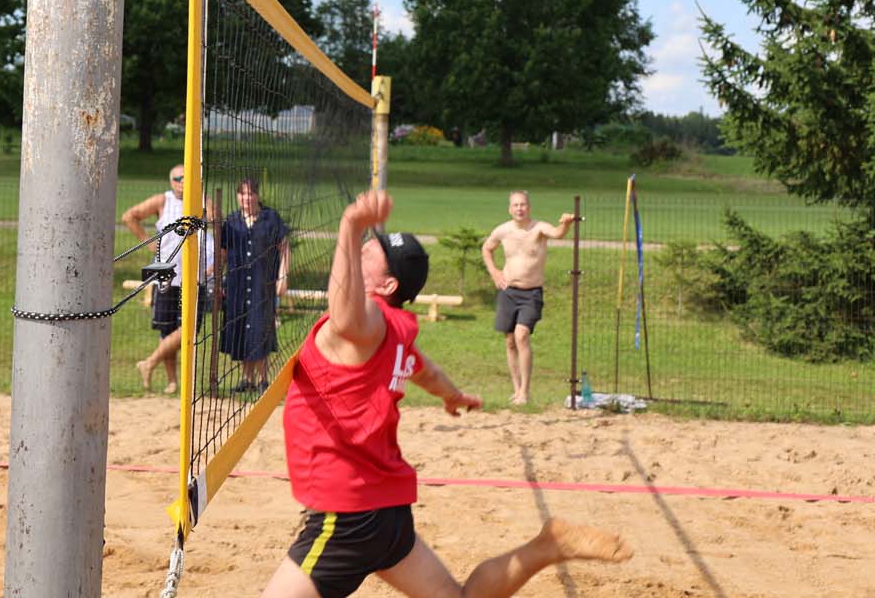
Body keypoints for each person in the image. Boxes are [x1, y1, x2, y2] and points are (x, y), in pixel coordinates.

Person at [261, 189, 631, 598]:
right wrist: (453, 395)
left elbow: (346, 316)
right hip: (387, 511)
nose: (364, 247)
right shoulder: (396, 330)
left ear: (386, 284)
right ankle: (547, 546)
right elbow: (427, 371)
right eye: (365, 245)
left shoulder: (363, 326)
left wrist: (350, 226)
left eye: (371, 252)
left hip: (347, 512)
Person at [122, 164, 216, 393]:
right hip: (165, 274)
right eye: (178, 178)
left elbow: (218, 223)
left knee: (190, 328)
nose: (182, 182)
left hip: (194, 277)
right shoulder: (163, 200)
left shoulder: (202, 201)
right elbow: (129, 216)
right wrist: (148, 242)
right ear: (171, 181)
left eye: (187, 178)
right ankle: (172, 381)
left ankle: (149, 362)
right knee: (167, 329)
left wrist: (202, 199)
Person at [481, 191, 575, 405]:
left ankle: (525, 391)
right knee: (509, 341)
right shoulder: (503, 230)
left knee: (521, 335)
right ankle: (516, 390)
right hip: (508, 291)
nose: (519, 208)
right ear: (510, 209)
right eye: (515, 205)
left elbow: (557, 233)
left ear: (529, 207)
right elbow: (486, 249)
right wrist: (494, 272)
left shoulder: (539, 228)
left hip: (531, 293)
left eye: (523, 204)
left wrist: (565, 223)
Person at [218, 177, 291, 392]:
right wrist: (217, 279)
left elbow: (284, 247)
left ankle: (263, 380)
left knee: (260, 329)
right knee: (241, 329)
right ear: (237, 196)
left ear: (257, 195)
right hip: (236, 285)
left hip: (262, 283)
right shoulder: (231, 221)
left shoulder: (271, 218)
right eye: (242, 194)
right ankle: (246, 380)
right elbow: (222, 255)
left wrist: (283, 276)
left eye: (250, 193)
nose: (246, 198)